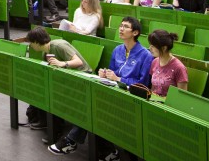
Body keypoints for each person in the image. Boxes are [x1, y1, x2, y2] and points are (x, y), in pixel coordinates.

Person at [48, 17, 153, 157]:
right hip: (113, 90)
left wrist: (120, 79)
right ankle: (104, 150)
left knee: (94, 106)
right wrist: (105, 74)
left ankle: (72, 141)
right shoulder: (118, 50)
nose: (121, 29)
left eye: (125, 27)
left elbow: (143, 84)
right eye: (120, 25)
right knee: (91, 102)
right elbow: (112, 71)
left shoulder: (145, 55)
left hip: (130, 96)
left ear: (135, 33)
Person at [22, 26, 91, 130]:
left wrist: (62, 63)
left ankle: (55, 126)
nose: (30, 45)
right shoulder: (45, 52)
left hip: (82, 76)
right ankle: (45, 121)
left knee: (52, 91)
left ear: (36, 41)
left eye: (31, 42)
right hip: (67, 76)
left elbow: (78, 62)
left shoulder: (59, 45)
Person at [148, 30, 188, 97]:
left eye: (153, 46)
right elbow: (153, 88)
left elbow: (182, 96)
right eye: (150, 45)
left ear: (164, 48)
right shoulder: (155, 62)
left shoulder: (179, 68)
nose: (150, 48)